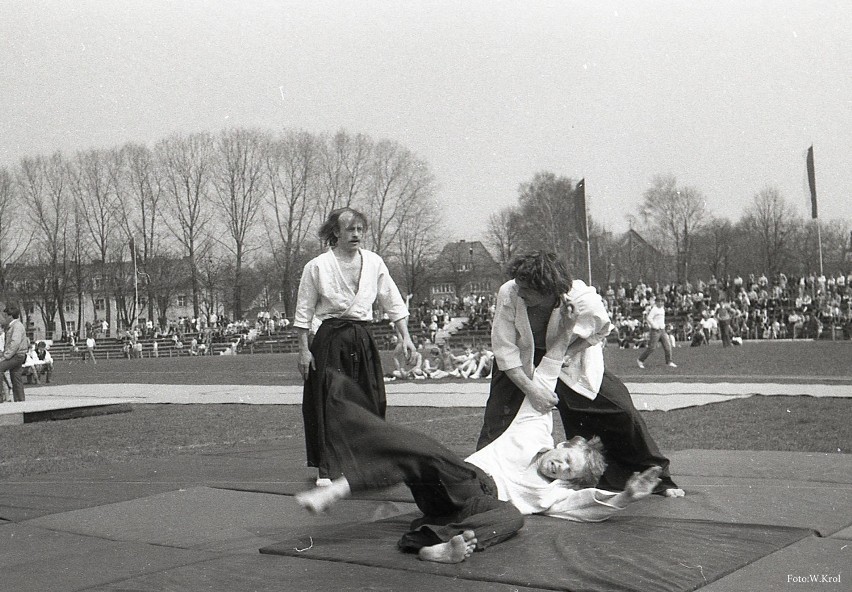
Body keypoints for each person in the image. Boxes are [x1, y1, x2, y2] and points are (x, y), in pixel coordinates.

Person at [296, 347, 663, 564]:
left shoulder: (553, 494)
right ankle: (339, 487)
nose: (561, 466)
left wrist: (627, 496)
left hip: (468, 509)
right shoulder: (531, 431)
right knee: (420, 452)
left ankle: (435, 546)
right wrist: (565, 335)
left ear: (567, 481)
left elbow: (590, 505)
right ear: (562, 444)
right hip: (462, 479)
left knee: (512, 516)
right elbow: (547, 377)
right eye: (566, 456)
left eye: (568, 472)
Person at [476, 251, 683, 497]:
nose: (520, 292)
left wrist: (568, 352)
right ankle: (481, 483)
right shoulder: (509, 292)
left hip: (569, 361)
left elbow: (600, 332)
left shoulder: (584, 301)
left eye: (528, 290)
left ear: (548, 289)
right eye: (519, 286)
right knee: (498, 420)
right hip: (519, 363)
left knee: (620, 409)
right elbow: (504, 349)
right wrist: (532, 390)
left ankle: (656, 478)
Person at [294, 207, 416, 486]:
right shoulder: (317, 266)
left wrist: (405, 337)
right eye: (351, 229)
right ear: (335, 231)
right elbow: (303, 311)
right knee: (330, 401)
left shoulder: (374, 262)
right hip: (330, 337)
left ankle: (368, 463)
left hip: (362, 336)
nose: (357, 234)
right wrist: (304, 349)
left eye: (361, 229)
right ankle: (328, 466)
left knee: (370, 398)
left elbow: (392, 301)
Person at [0, 303, 30, 402]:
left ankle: (1, 397)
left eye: (5, 316)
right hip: (18, 355)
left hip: (16, 356)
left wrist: (5, 356)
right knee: (16, 377)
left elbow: (15, 343)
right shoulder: (14, 326)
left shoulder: (16, 326)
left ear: (10, 316)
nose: (4, 318)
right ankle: (20, 401)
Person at [637, 297, 677, 368]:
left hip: (662, 330)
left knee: (668, 346)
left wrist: (663, 325)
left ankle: (669, 361)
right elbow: (649, 318)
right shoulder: (654, 309)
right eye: (659, 302)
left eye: (662, 302)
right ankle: (640, 360)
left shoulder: (662, 309)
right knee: (652, 348)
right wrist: (655, 326)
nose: (661, 303)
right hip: (655, 331)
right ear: (656, 302)